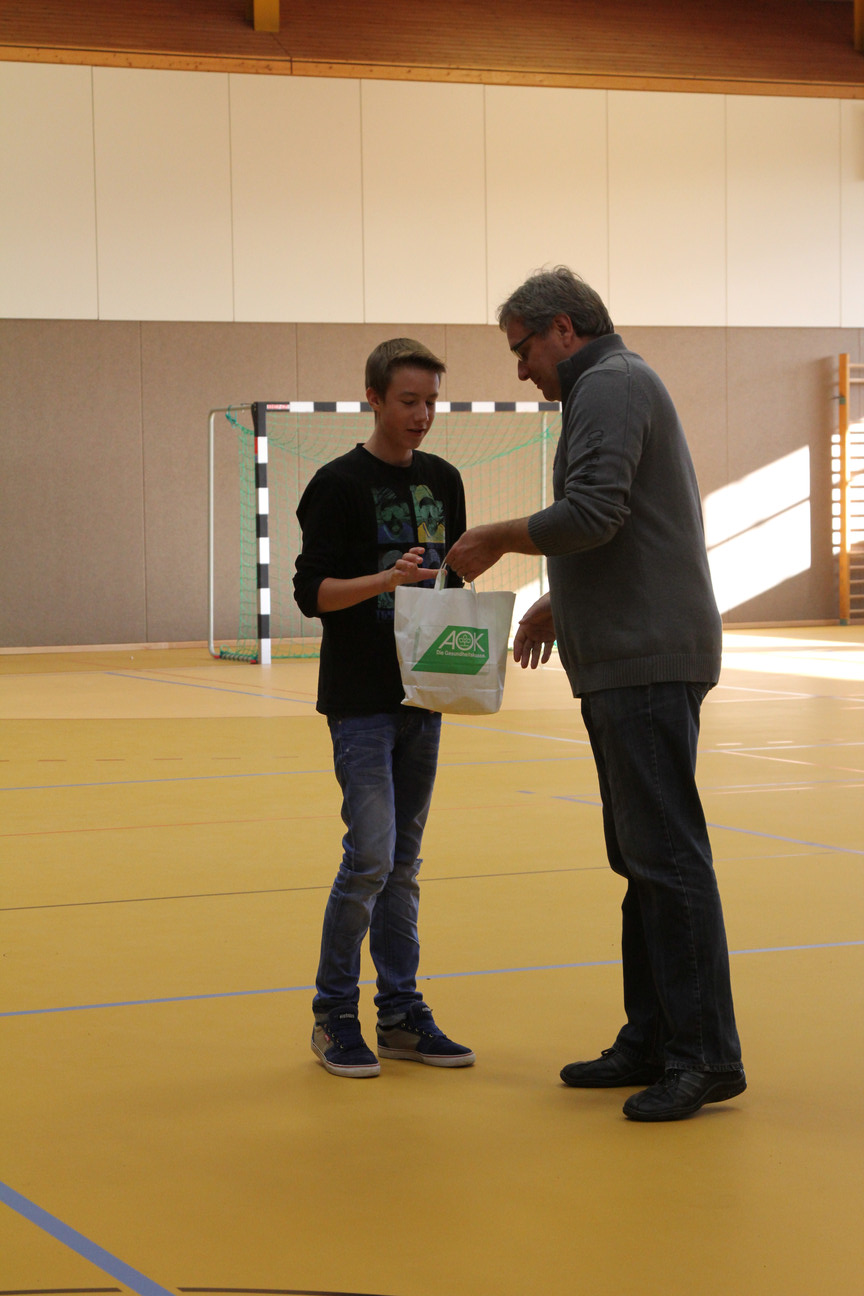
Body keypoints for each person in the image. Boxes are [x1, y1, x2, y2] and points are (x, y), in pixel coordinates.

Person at [445, 267, 744, 1121]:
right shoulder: (610, 385)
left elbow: (595, 511)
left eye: (522, 348)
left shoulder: (610, 384)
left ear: (564, 329)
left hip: (645, 658)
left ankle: (703, 1055)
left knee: (666, 859)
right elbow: (621, 524)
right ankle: (653, 1038)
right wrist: (560, 600)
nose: (520, 369)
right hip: (627, 653)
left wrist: (496, 539)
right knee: (642, 860)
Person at [293, 337, 475, 1078]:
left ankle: (400, 1012)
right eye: (408, 401)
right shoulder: (336, 484)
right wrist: (383, 582)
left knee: (403, 863)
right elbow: (312, 594)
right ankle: (333, 1014)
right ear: (373, 398)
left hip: (422, 697)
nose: (422, 415)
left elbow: (452, 583)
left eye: (431, 402)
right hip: (361, 700)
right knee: (369, 855)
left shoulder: (444, 480)